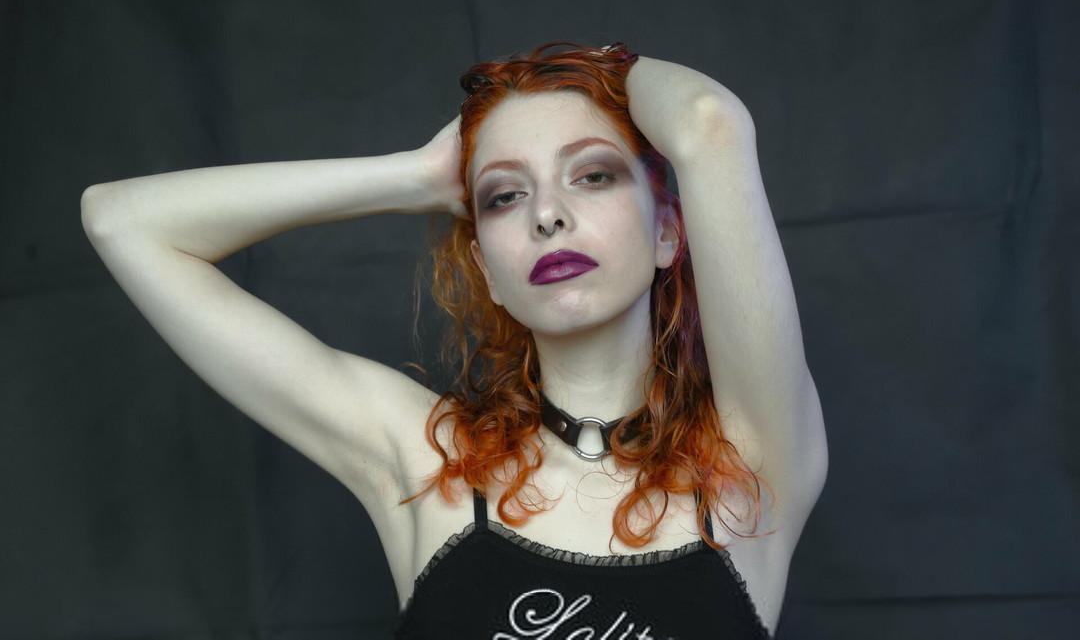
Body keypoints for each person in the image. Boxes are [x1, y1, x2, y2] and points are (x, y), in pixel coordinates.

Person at [81, 40, 827, 639]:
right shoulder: (424, 460)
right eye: (504, 194)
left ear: (667, 231)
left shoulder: (751, 467)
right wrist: (413, 177)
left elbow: (707, 122)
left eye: (592, 176)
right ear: (488, 270)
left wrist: (600, 67)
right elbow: (123, 222)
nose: (547, 215)